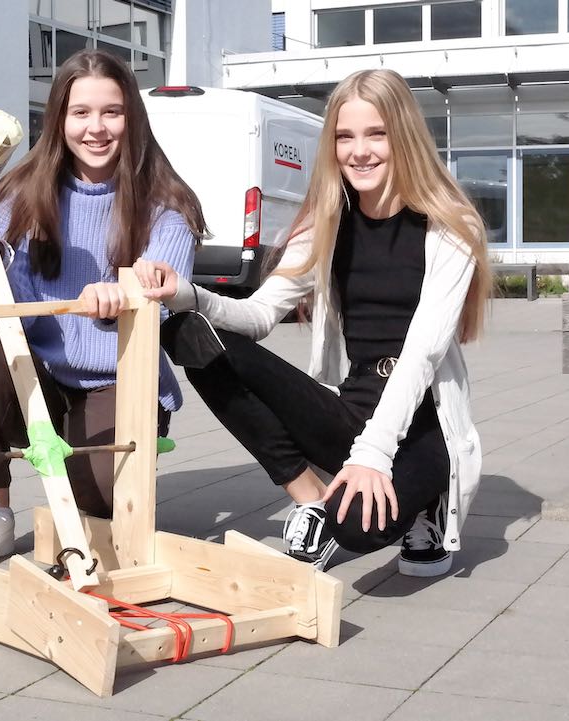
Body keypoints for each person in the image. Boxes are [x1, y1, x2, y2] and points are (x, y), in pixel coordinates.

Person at [133, 69, 490, 575]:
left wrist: (372, 455)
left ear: (403, 136)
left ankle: (425, 502)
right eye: (345, 136)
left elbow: (424, 350)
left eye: (376, 134)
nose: (358, 151)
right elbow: (257, 316)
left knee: (358, 530)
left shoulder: (451, 223)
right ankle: (309, 497)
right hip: (351, 407)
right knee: (189, 332)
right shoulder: (327, 220)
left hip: (422, 421)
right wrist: (188, 294)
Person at [0, 49, 204, 564]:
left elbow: (166, 302)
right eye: (80, 112)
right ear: (59, 118)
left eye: (112, 111)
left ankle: (92, 486)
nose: (96, 127)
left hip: (117, 381)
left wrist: (124, 301)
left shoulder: (167, 207)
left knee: (102, 501)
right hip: (34, 375)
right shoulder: (18, 194)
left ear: (132, 117)